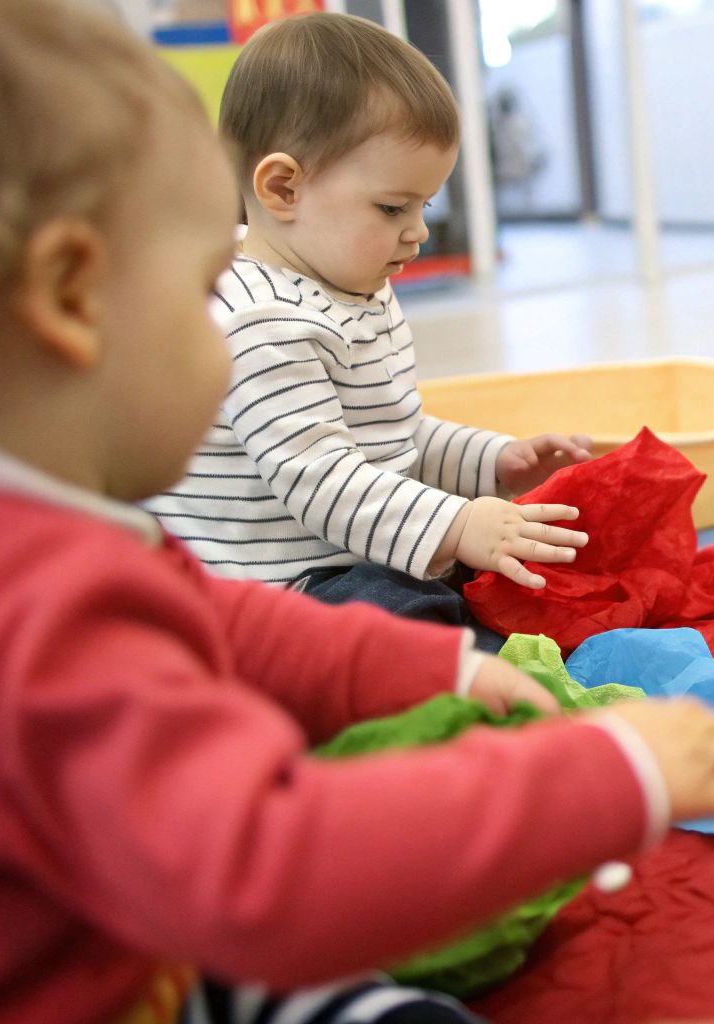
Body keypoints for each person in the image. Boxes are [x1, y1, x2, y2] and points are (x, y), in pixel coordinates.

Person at [0, 3, 714, 1021]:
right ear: (74, 299)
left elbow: (240, 595)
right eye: (196, 291)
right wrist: (602, 776)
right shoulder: (21, 615)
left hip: (121, 928)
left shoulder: (6, 527)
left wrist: (441, 626)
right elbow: (266, 869)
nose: (217, 327)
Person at [143, 12, 589, 643]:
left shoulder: (350, 286)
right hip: (274, 591)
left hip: (346, 556)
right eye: (392, 207)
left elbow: (388, 437)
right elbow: (323, 479)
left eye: (424, 204)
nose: (419, 230)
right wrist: (460, 523)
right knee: (425, 621)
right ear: (282, 188)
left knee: (500, 569)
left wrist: (491, 462)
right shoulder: (260, 320)